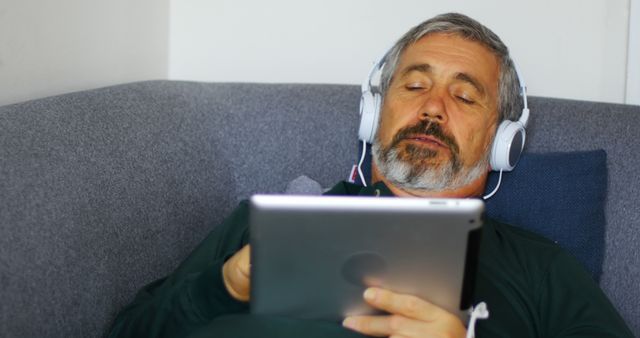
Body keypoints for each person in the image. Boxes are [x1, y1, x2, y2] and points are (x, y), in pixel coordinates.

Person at [108, 13, 633, 338]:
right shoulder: (262, 224)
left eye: (464, 95)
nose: (432, 108)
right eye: (414, 86)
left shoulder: (539, 267)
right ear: (373, 115)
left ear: (502, 142)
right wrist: (218, 288)